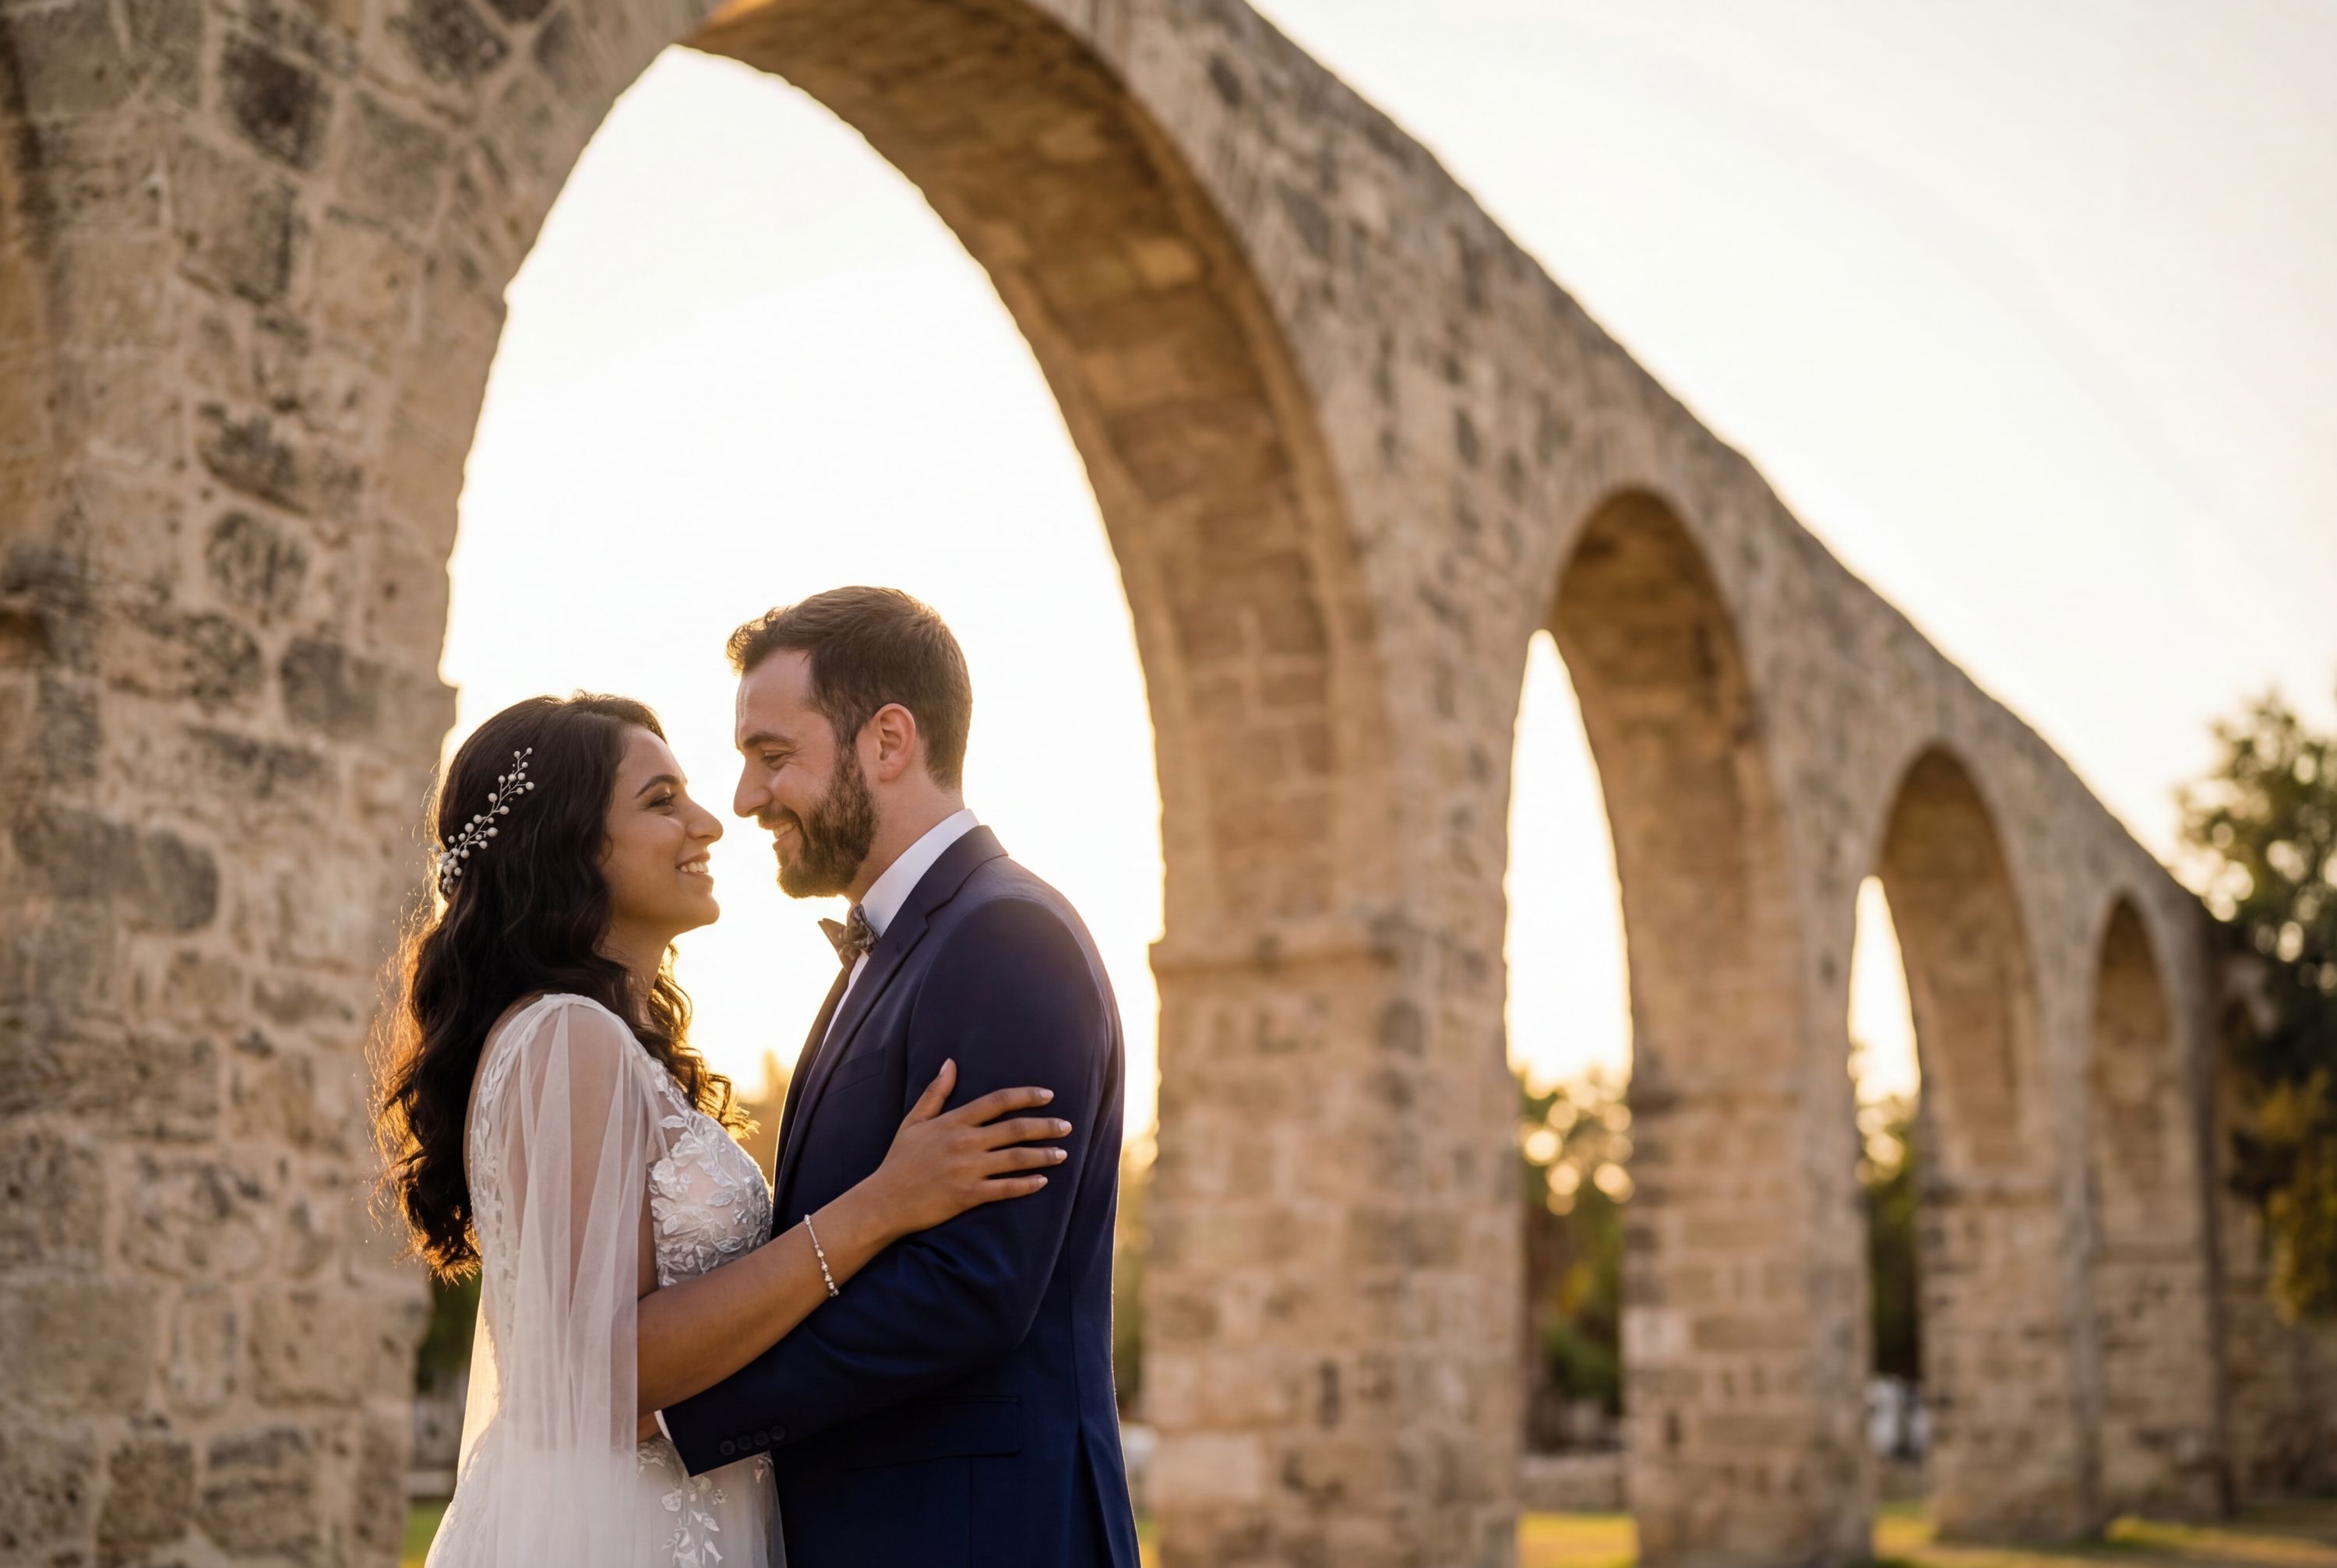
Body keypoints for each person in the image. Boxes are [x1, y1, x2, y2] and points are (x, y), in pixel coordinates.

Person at [373, 691, 1067, 1566]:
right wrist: (883, 1206)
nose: (709, 822)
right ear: (567, 845)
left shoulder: (610, 1045)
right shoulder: (567, 1038)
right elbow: (605, 1372)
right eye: (661, 801)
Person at [655, 587, 1141, 1568]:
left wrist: (685, 1404)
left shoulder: (1008, 936)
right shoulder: (892, 951)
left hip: (982, 1534)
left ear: (887, 742)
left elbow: (974, 1284)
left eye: (773, 755)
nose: (746, 799)